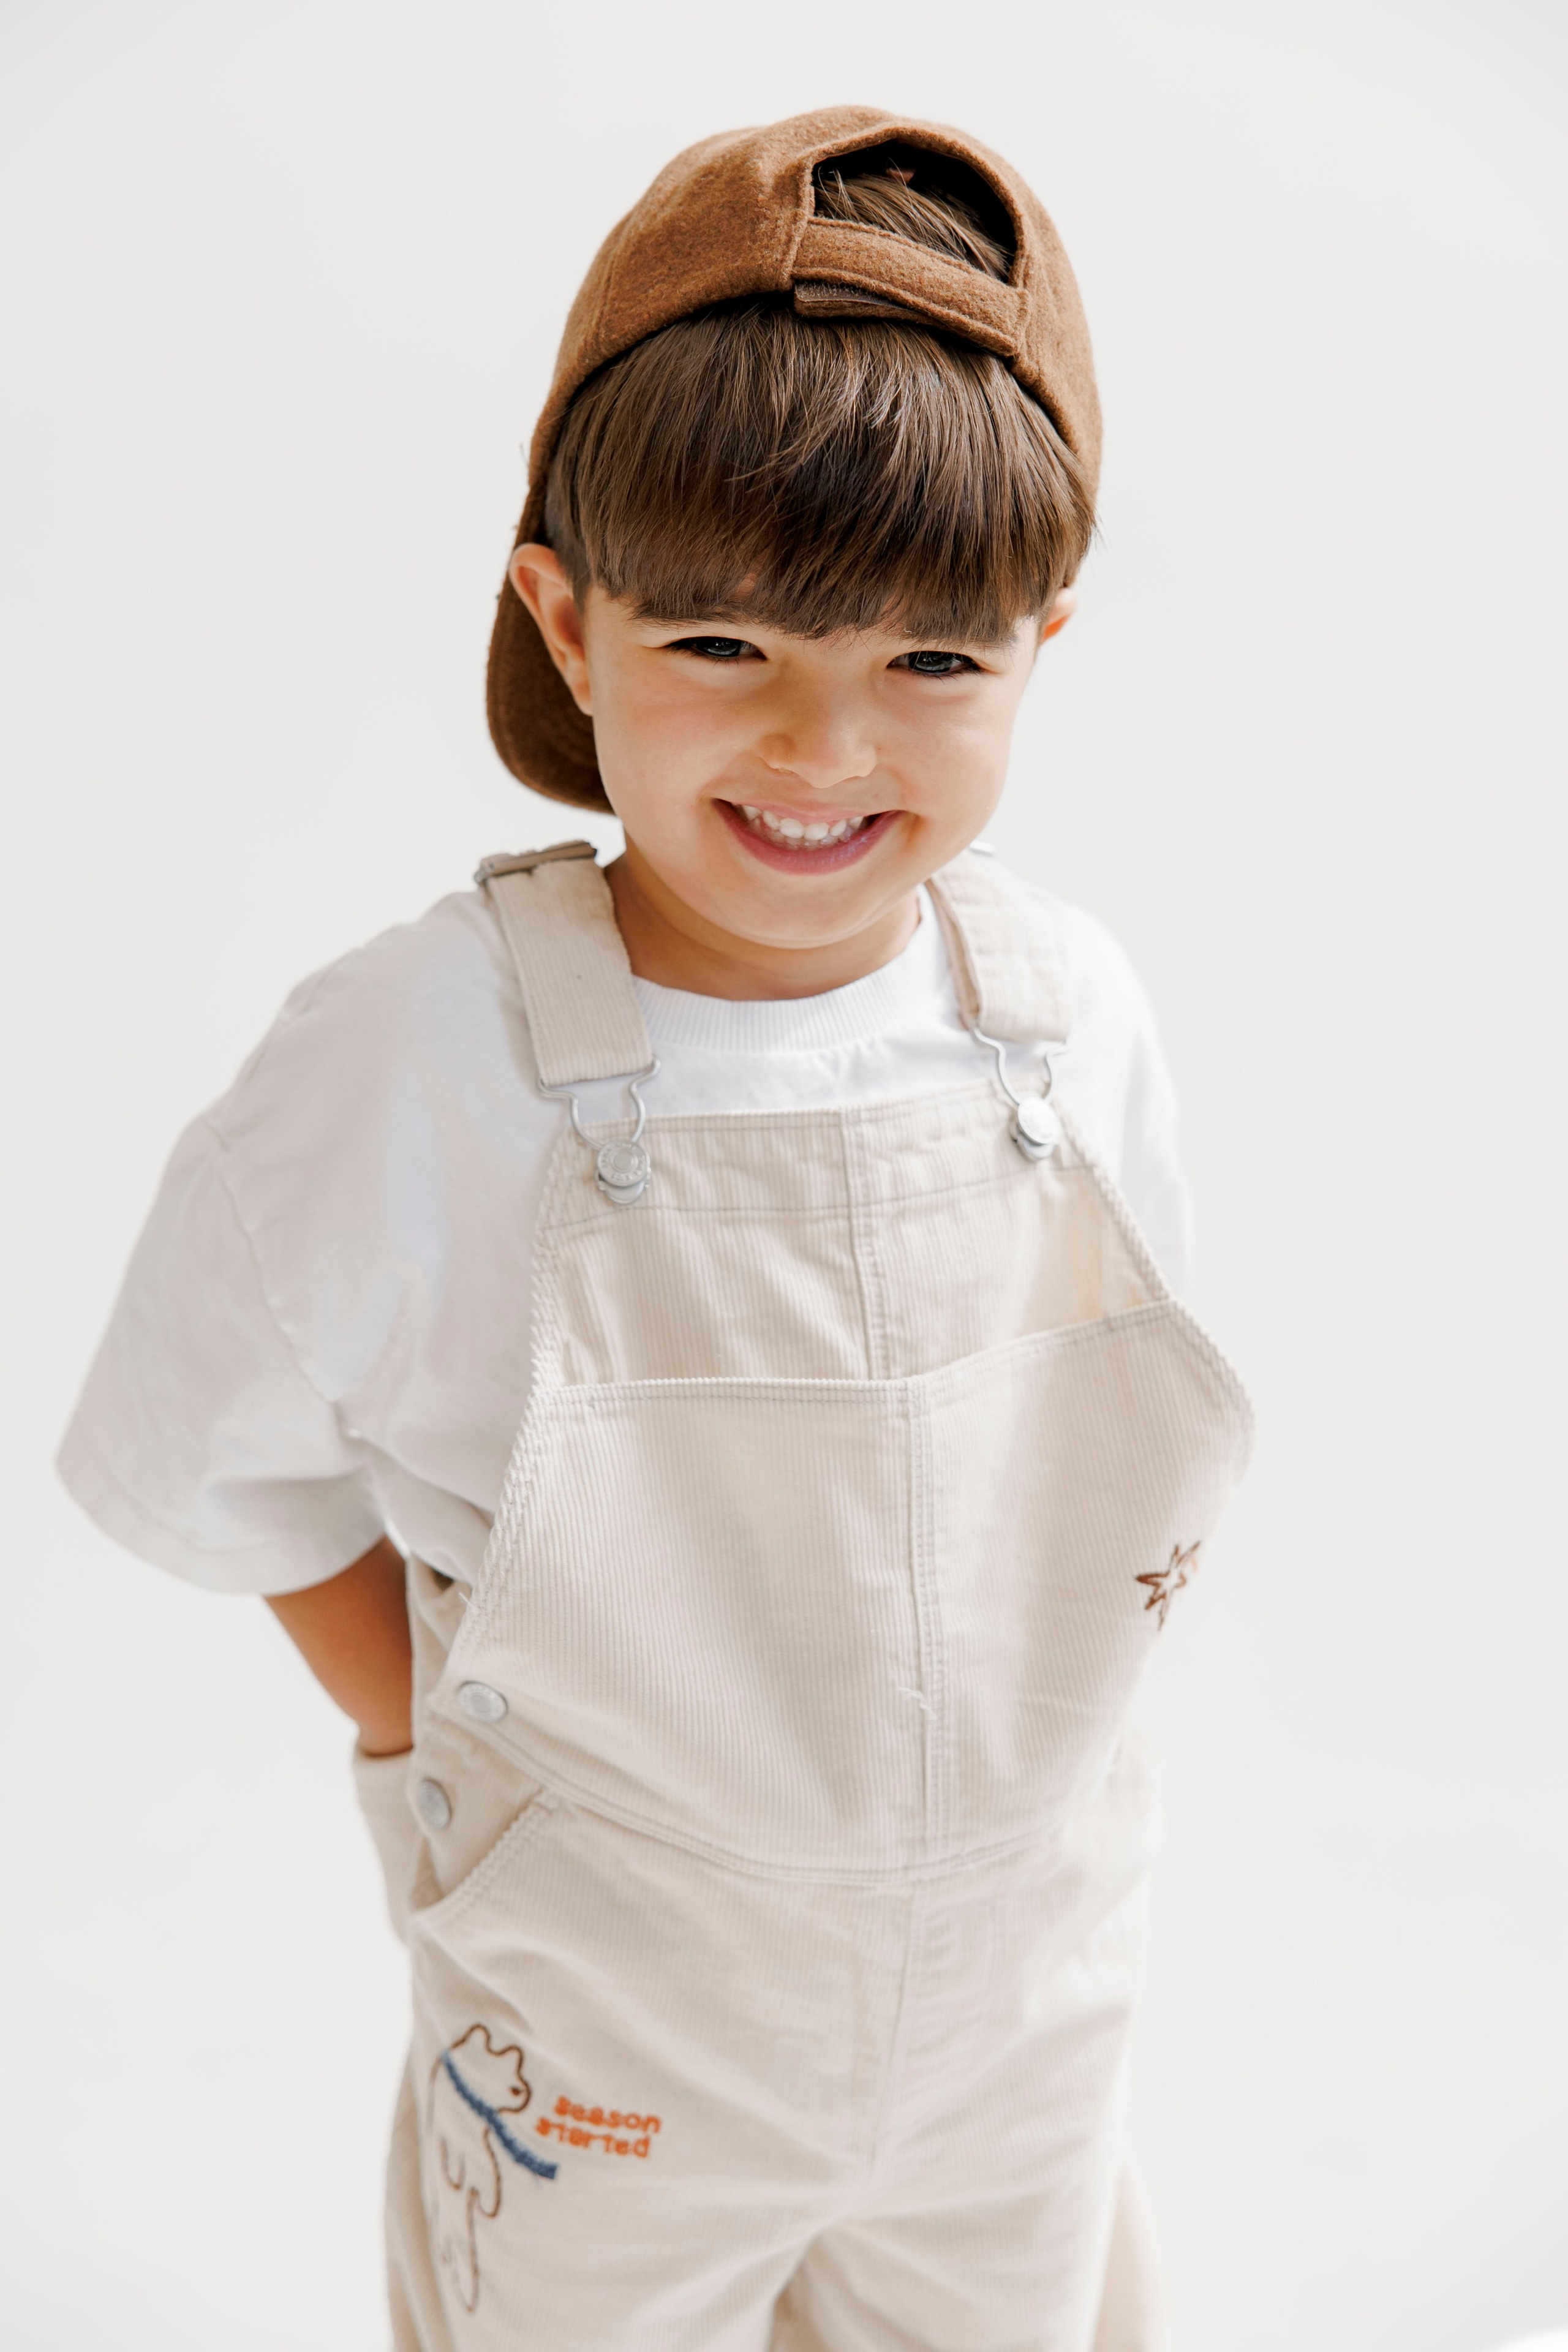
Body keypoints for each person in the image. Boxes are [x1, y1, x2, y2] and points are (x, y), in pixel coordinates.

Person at [59, 105, 1251, 2352]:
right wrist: (462, 1761)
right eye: (721, 643)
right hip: (613, 2025)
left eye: (932, 664)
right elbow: (198, 1460)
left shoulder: (1065, 1019)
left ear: (1043, 640)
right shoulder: (420, 1059)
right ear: (564, 617)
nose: (823, 747)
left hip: (1021, 2012)